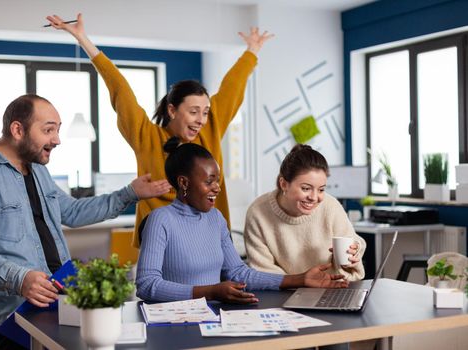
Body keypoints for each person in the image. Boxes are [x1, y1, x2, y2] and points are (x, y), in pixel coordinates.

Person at [0, 94, 171, 350]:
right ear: (17, 129)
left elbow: (72, 212)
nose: (57, 139)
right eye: (48, 130)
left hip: (63, 298)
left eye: (58, 130)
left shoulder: (38, 170)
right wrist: (20, 279)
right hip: (15, 311)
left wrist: (130, 194)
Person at [45, 13, 274, 247]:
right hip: (162, 245)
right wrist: (83, 39)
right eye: (194, 112)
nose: (201, 119)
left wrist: (252, 51)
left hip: (209, 241)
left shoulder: (210, 129)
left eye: (205, 112)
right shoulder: (147, 136)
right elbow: (120, 90)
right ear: (172, 110)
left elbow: (232, 87)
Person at [135, 138, 349, 303]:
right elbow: (147, 285)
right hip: (173, 320)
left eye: (217, 180)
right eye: (209, 182)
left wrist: (300, 279)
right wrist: (209, 292)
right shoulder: (160, 220)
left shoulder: (216, 219)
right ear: (183, 183)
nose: (217, 188)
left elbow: (238, 272)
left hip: (213, 317)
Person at [244, 144, 366, 281]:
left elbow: (354, 241)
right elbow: (262, 269)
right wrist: (301, 281)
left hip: (332, 287)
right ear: (284, 184)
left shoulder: (330, 206)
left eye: (321, 189)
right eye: (306, 188)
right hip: (284, 292)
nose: (314, 197)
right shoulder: (258, 212)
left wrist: (354, 251)